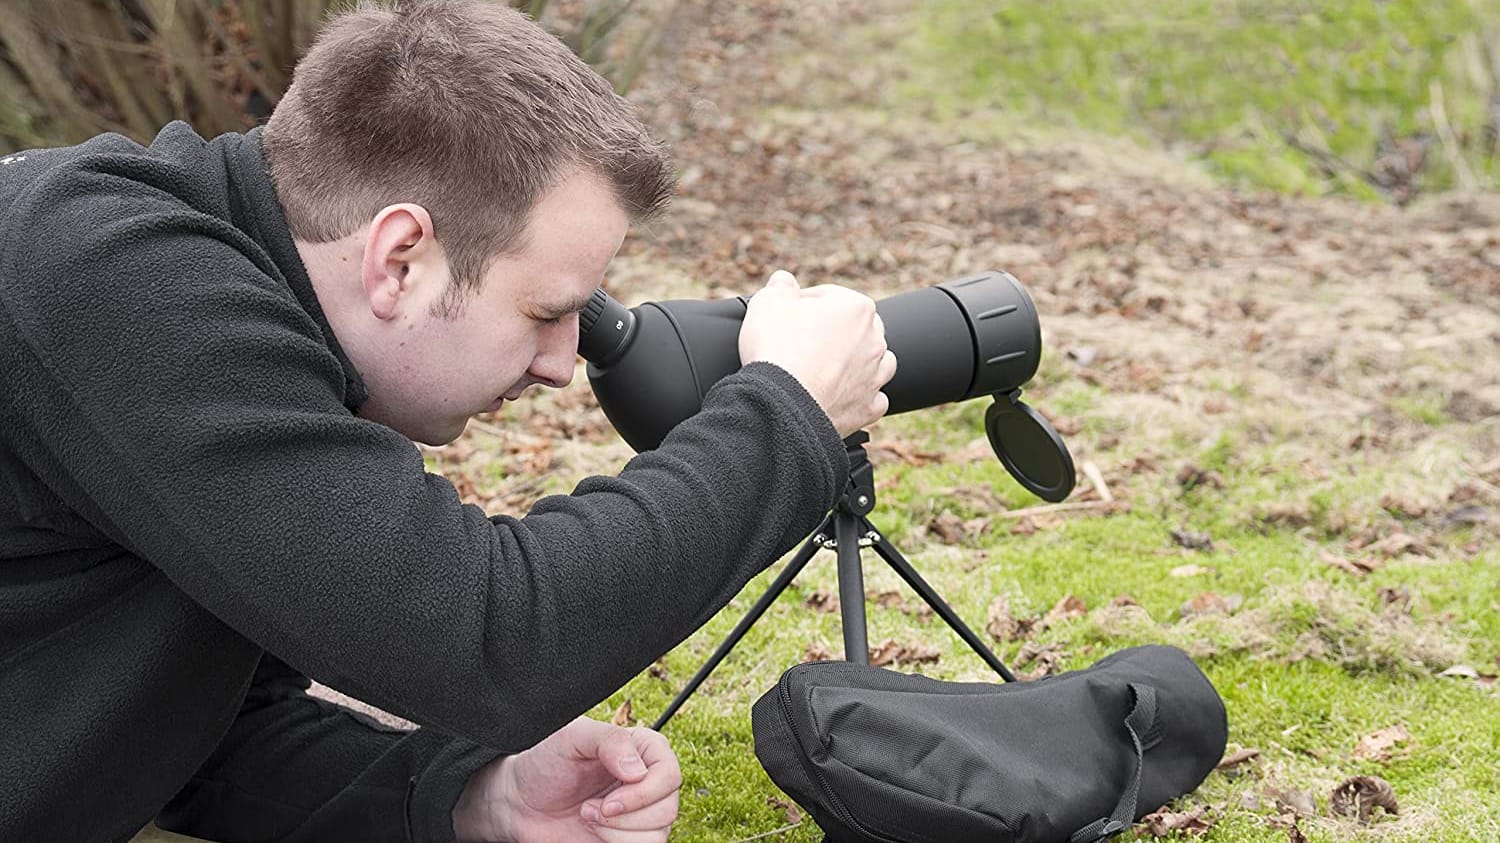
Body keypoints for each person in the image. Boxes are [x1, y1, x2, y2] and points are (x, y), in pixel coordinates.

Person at [0, 1, 895, 842]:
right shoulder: (111, 276)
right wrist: (789, 414)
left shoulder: (206, 291)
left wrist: (467, 797)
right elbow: (489, 637)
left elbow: (187, 733)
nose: (559, 364)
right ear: (399, 258)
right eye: (548, 310)